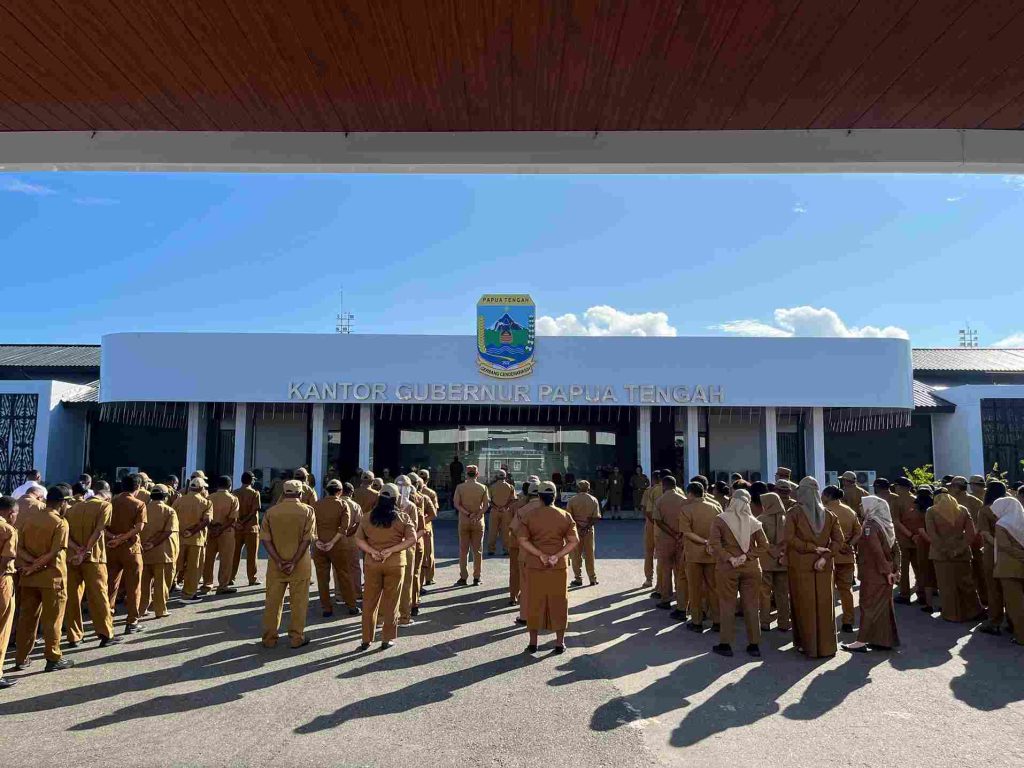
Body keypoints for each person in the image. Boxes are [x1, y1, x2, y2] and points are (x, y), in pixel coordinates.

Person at [14, 485, 73, 672]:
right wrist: (37, 565)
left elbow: (18, 547)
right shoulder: (60, 523)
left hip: (29, 578)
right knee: (53, 620)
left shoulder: (30, 520)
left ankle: (21, 658)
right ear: (62, 503)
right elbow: (54, 552)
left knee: (26, 619)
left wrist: (31, 565)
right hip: (52, 578)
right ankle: (53, 657)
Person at [517, 481, 578, 654]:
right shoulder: (565, 515)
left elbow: (522, 540)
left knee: (534, 602)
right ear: (555, 496)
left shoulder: (529, 515)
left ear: (539, 496)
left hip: (535, 565)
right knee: (559, 602)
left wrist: (540, 554)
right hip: (558, 566)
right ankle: (559, 643)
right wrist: (557, 555)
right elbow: (574, 541)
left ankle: (533, 643)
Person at [785, 476, 843, 658]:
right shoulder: (830, 515)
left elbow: (789, 538)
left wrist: (811, 548)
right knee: (825, 605)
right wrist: (825, 557)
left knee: (804, 605)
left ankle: (807, 645)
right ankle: (826, 647)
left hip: (801, 566)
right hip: (824, 567)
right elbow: (838, 541)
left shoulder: (794, 513)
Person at [355, 483, 416, 650]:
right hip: (395, 564)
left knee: (369, 602)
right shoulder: (403, 518)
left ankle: (366, 639)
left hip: (372, 563)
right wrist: (391, 550)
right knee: (392, 602)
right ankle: (387, 639)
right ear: (396, 499)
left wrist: (372, 551)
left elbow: (358, 539)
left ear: (379, 497)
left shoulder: (367, 517)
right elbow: (412, 539)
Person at [709, 488, 768, 657]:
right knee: (751, 605)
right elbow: (764, 545)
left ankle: (726, 644)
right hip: (751, 568)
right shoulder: (753, 522)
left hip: (727, 568)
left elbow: (715, 543)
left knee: (727, 604)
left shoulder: (721, 519)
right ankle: (754, 645)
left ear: (732, 501)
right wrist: (746, 556)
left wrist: (730, 558)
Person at [261, 479, 316, 649]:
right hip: (300, 565)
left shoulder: (271, 512)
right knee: (299, 603)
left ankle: (269, 638)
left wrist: (279, 560)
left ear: (283, 493)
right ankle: (296, 637)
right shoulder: (308, 511)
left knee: (272, 603)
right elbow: (307, 539)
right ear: (300, 493)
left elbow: (265, 540)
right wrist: (293, 561)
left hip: (276, 565)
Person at [63, 481, 118, 647]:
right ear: (107, 497)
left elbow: (65, 535)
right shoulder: (105, 506)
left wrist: (77, 549)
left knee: (72, 597)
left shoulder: (72, 509)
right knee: (99, 596)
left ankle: (74, 636)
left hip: (72, 557)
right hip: (94, 558)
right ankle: (105, 633)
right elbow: (100, 531)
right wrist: (86, 550)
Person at [842, 495, 900, 653]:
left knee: (868, 606)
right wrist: (896, 570)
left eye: (862, 505)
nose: (860, 507)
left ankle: (861, 641)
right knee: (882, 608)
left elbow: (877, 551)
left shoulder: (870, 526)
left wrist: (887, 572)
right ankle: (883, 640)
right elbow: (896, 550)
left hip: (874, 573)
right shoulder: (886, 524)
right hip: (886, 572)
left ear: (871, 507)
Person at [926, 489, 984, 622]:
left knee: (946, 585)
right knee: (966, 583)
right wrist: (959, 549)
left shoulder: (931, 511)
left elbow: (933, 535)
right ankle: (973, 611)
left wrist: (945, 550)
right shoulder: (962, 509)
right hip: (962, 554)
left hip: (941, 555)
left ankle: (951, 614)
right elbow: (971, 533)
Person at [106, 474, 147, 635]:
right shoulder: (139, 504)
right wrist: (122, 539)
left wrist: (114, 538)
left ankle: (107, 619)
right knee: (134, 586)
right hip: (131, 549)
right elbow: (139, 527)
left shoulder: (111, 502)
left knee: (110, 585)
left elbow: (102, 527)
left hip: (111, 548)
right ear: (138, 487)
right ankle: (132, 621)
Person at [312, 479, 359, 618]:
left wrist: (317, 541)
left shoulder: (316, 505)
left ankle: (326, 608)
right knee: (344, 575)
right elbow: (344, 527)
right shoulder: (343, 504)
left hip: (319, 545)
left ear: (326, 490)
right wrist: (332, 542)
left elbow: (310, 526)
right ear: (340, 491)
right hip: (337, 545)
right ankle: (351, 606)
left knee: (322, 578)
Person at [680, 481, 721, 632]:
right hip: (712, 554)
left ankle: (697, 622)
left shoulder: (686, 509)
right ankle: (717, 620)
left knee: (695, 589)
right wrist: (711, 542)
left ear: (690, 494)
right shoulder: (715, 507)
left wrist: (704, 541)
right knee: (714, 588)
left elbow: (687, 532)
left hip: (693, 554)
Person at [751, 481, 791, 633]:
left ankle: (765, 622)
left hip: (765, 560)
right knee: (782, 594)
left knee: (764, 593)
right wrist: (780, 552)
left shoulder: (761, 519)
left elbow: (759, 542)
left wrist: (772, 551)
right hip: (782, 560)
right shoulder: (787, 519)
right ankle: (783, 622)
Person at [822, 485, 861, 634]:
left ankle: (826, 622)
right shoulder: (849, 511)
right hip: (846, 556)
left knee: (826, 591)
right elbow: (859, 532)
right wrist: (849, 545)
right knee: (846, 591)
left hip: (828, 556)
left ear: (828, 496)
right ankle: (848, 622)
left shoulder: (824, 511)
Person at [140, 484, 178, 620]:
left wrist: (146, 544)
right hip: (163, 553)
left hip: (144, 553)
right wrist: (153, 543)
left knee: (144, 584)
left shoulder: (143, 509)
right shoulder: (169, 511)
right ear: (165, 496)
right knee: (161, 584)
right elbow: (168, 531)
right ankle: (160, 609)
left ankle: (142, 609)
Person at [172, 477, 213, 602]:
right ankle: (188, 594)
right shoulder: (206, 502)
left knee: (174, 566)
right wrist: (192, 531)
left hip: (179, 539)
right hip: (196, 540)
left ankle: (163, 593)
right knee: (193, 568)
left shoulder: (179, 500)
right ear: (201, 488)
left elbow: (171, 516)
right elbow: (207, 520)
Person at [950, 476, 987, 606]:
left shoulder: (974, 501)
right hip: (958, 541)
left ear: (958, 487)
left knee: (979, 570)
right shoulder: (951, 501)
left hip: (975, 540)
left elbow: (982, 521)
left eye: (952, 486)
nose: (950, 488)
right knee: (964, 572)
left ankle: (984, 598)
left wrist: (972, 535)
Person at [992, 495, 1024, 645]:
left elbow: (1005, 546)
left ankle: (1021, 636)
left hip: (1008, 567)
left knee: (1015, 604)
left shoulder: (1002, 524)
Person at [652, 475, 686, 614]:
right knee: (681, 571)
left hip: (665, 540)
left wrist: (672, 533)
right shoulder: (684, 500)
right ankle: (681, 600)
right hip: (681, 540)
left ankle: (665, 599)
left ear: (664, 486)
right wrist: (679, 534)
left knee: (665, 570)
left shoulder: (660, 501)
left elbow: (658, 521)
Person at [977, 481, 1008, 634]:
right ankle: (1013, 620)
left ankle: (995, 621)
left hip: (992, 552)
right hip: (1010, 552)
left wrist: (997, 544)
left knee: (993, 587)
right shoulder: (1010, 508)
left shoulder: (985, 510)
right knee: (1010, 587)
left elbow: (985, 533)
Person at [201, 476, 239, 595]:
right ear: (230, 486)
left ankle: (207, 584)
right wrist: (220, 529)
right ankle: (222, 585)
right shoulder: (233, 499)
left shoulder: (209, 497)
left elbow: (204, 517)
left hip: (210, 532)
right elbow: (233, 519)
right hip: (226, 532)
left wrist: (212, 528)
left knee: (208, 559)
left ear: (218, 485)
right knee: (226, 560)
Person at [396, 474, 425, 625]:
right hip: (407, 547)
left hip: (389, 547)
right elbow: (418, 528)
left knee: (388, 583)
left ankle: (384, 616)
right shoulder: (412, 505)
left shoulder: (384, 504)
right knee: (407, 581)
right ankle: (404, 616)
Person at [453, 465, 489, 586]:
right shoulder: (483, 487)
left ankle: (463, 577)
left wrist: (468, 514)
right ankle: (477, 578)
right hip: (478, 521)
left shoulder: (460, 487)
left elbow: (456, 504)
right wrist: (477, 515)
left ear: (466, 474)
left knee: (463, 550)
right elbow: (486, 506)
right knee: (477, 551)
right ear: (477, 474)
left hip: (464, 520)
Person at [890, 477, 923, 605]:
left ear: (901, 487)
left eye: (896, 486)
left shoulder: (897, 501)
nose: (895, 488)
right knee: (918, 567)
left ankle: (905, 594)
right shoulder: (916, 499)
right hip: (918, 538)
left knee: (903, 568)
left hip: (904, 539)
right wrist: (915, 535)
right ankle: (921, 594)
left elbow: (896, 521)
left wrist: (910, 535)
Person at [230, 471, 262, 588]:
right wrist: (244, 521)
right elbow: (254, 511)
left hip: (237, 528)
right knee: (252, 555)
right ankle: (252, 578)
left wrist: (238, 522)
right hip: (251, 528)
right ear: (251, 480)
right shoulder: (255, 493)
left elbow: (232, 510)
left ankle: (230, 577)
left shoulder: (234, 493)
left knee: (234, 554)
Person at [567, 480, 601, 587]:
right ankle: (592, 578)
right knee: (590, 555)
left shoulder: (572, 500)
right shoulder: (593, 500)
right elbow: (596, 517)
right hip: (588, 531)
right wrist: (586, 527)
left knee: (576, 555)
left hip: (576, 530)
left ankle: (578, 578)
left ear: (578, 488)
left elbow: (569, 517)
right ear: (589, 489)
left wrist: (579, 527)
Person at [0, 504, 18, 688]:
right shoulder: (7, 530)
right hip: (2, 580)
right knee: (2, 627)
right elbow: (7, 559)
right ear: (10, 512)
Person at [640, 469, 662, 590]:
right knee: (663, 554)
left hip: (652, 523)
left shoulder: (649, 491)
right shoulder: (672, 490)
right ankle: (662, 581)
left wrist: (653, 522)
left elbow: (645, 510)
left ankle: (649, 579)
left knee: (649, 552)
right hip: (667, 525)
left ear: (653, 479)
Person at [415, 472, 438, 591]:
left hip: (410, 529)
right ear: (428, 479)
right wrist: (422, 522)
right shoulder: (430, 493)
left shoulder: (406, 495)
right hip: (425, 527)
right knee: (428, 553)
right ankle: (429, 578)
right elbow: (434, 512)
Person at [486, 469, 517, 557]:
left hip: (494, 511)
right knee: (506, 531)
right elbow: (513, 500)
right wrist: (505, 507)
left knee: (492, 531)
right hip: (505, 511)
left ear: (497, 476)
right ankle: (506, 549)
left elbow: (488, 500)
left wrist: (496, 507)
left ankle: (491, 549)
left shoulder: (492, 487)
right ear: (505, 477)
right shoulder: (510, 487)